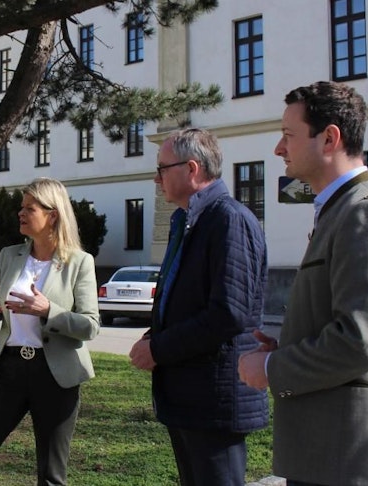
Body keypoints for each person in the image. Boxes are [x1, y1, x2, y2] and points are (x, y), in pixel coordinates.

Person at [237, 81, 368, 485]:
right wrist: (289, 344)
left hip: (354, 460)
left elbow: (358, 340)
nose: (279, 148)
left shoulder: (367, 214)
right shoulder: (341, 211)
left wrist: (272, 366)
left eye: (288, 135)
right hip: (332, 455)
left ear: (329, 138)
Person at [128, 128, 269, 486]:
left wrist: (158, 349)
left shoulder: (228, 220)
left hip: (215, 399)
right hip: (190, 395)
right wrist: (154, 333)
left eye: (162, 168)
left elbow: (229, 313)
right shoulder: (190, 220)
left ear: (191, 169)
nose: (156, 178)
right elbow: (186, 298)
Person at [0, 177, 100, 486]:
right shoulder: (9, 256)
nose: (20, 213)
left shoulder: (80, 262)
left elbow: (90, 325)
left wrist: (48, 310)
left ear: (53, 214)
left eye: (29, 208)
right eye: (21, 207)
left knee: (50, 476)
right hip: (9, 370)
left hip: (56, 375)